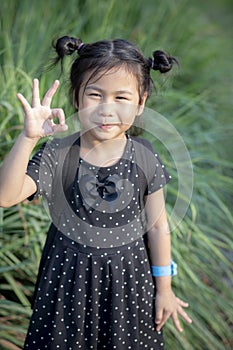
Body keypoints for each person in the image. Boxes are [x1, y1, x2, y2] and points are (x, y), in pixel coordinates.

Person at [0, 36, 192, 349]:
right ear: (76, 97)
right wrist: (27, 138)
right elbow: (6, 196)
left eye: (121, 98)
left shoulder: (144, 155)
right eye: (95, 94)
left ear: (141, 102)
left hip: (130, 285)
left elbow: (157, 226)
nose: (107, 109)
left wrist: (165, 288)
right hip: (67, 285)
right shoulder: (59, 153)